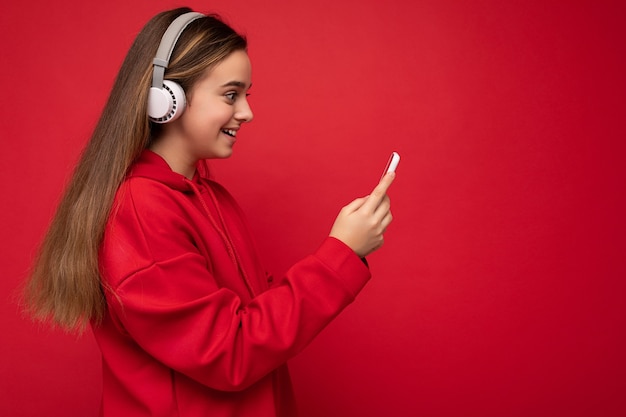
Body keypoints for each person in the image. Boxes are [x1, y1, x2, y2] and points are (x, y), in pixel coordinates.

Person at [25, 7, 394, 417]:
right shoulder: (141, 210)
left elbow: (254, 325)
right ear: (167, 99)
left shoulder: (212, 199)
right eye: (230, 94)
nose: (247, 112)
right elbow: (229, 352)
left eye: (246, 95)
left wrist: (344, 250)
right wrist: (339, 255)